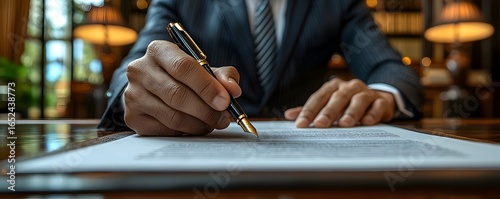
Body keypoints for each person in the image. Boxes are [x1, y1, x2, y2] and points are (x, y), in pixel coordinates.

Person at [98, 0, 423, 136]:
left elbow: (392, 70)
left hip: (308, 156)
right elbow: (138, 63)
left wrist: (382, 94)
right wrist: (138, 91)